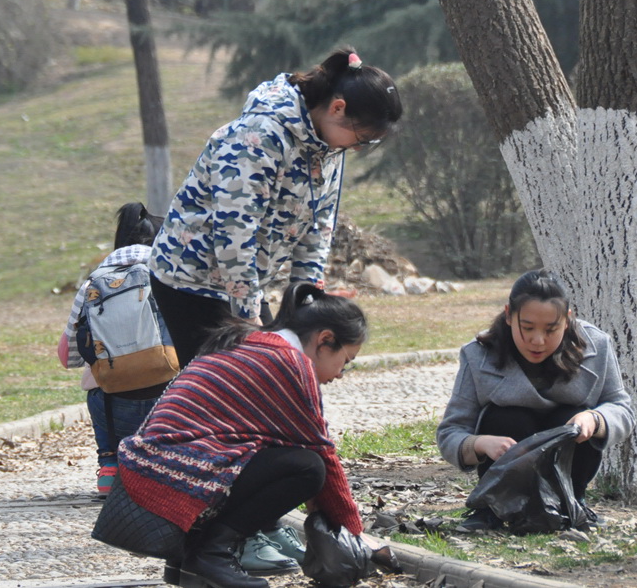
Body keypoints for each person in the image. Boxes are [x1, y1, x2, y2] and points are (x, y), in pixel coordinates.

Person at [149, 47, 403, 369]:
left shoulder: (328, 148)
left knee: (265, 373)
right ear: (338, 108)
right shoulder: (258, 135)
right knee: (226, 386)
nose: (356, 148)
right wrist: (248, 315)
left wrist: (306, 305)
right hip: (192, 277)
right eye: (361, 139)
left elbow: (319, 227)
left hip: (244, 282)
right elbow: (234, 230)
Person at [118, 283, 370, 588]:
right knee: (307, 468)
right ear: (325, 339)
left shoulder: (254, 342)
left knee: (280, 457)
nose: (341, 373)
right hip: (165, 470)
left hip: (150, 463)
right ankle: (211, 555)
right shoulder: (290, 363)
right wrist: (356, 540)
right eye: (346, 360)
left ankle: (187, 561)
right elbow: (323, 455)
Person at [437, 269, 634, 531]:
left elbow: (622, 409)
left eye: (551, 329)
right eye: (527, 327)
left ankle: (571, 502)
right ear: (508, 315)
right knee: (508, 417)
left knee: (572, 415)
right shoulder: (477, 355)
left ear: (567, 320)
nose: (538, 341)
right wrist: (481, 443)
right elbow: (450, 432)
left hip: (569, 465)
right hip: (504, 472)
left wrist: (595, 419)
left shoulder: (597, 345)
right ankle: (493, 509)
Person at [58, 202, 169, 495]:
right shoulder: (171, 279)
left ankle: (109, 466)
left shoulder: (93, 285)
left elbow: (67, 357)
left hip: (115, 410)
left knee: (95, 381)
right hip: (169, 407)